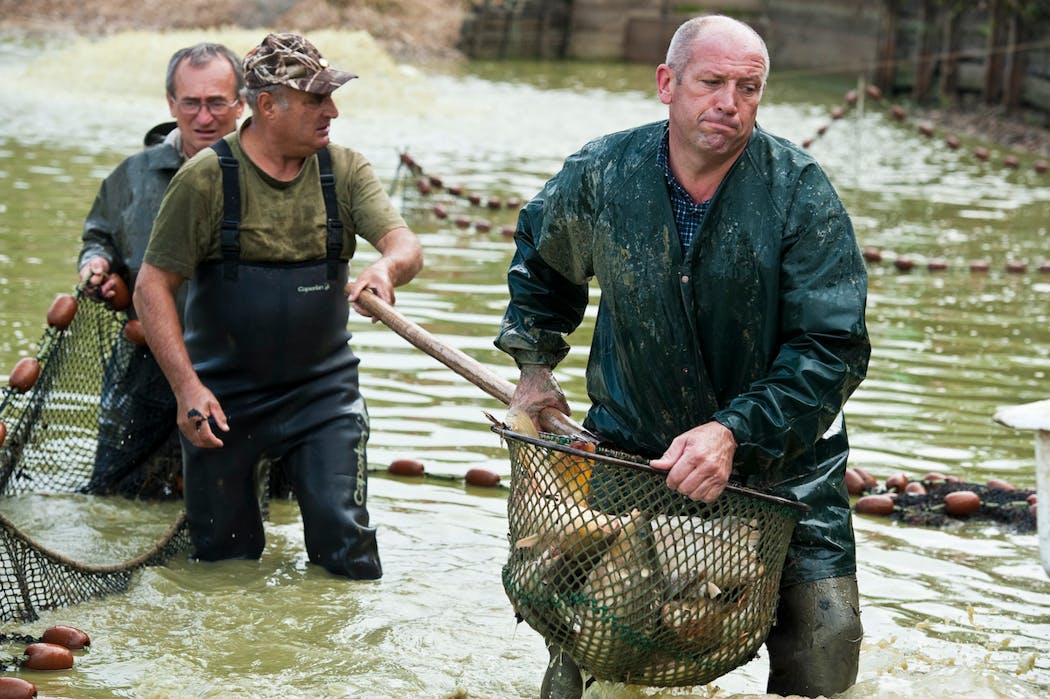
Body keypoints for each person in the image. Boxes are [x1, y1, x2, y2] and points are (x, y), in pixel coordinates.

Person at [495, 14, 870, 699]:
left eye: (749, 87)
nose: (730, 102)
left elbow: (833, 349)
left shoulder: (799, 193)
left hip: (784, 471)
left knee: (828, 643)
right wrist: (535, 365)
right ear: (668, 84)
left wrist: (734, 430)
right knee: (591, 649)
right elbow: (543, 268)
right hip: (635, 456)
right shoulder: (602, 173)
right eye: (713, 82)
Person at [134, 32, 423, 580]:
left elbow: (405, 244)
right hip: (223, 400)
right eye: (316, 99)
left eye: (330, 97)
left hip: (324, 396)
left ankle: (339, 661)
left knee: (346, 548)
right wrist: (186, 388)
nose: (331, 111)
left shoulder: (345, 170)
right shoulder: (204, 180)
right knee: (223, 562)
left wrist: (385, 268)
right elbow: (153, 285)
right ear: (268, 105)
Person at [77, 43, 245, 496]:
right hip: (145, 369)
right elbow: (100, 236)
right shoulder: (133, 175)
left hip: (238, 368)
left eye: (217, 103)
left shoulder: (268, 173)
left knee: (232, 507)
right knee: (119, 498)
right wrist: (96, 265)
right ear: (171, 103)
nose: (204, 117)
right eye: (191, 103)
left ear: (242, 103)